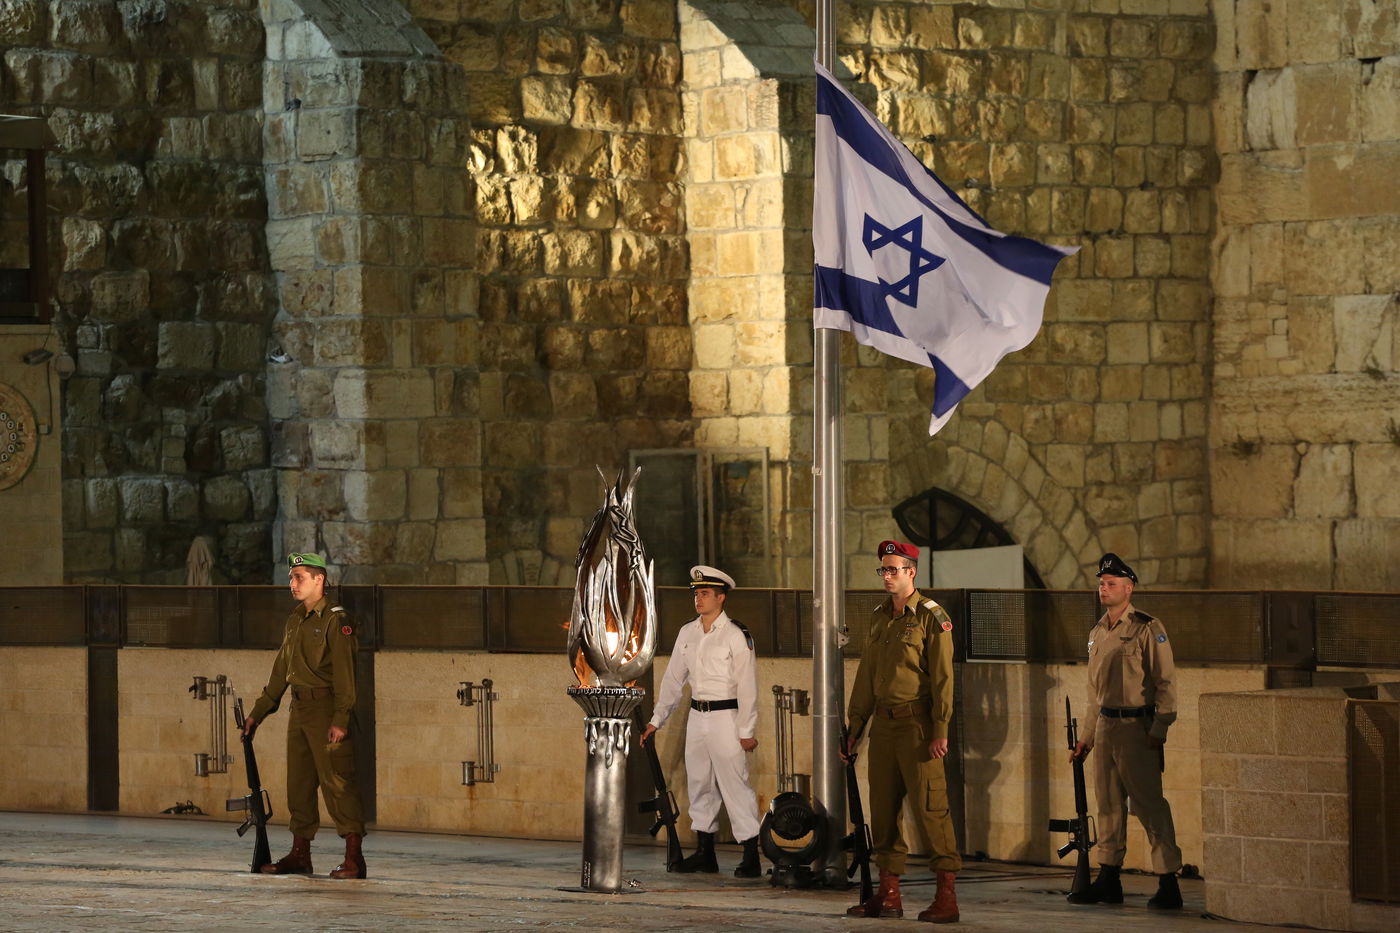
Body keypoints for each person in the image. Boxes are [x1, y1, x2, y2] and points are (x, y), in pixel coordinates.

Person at [844, 540, 961, 924]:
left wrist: (940, 728)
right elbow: (866, 677)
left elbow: (944, 678)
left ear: (912, 572)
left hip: (918, 725)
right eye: (884, 569)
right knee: (884, 810)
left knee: (932, 810)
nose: (888, 576)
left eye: (894, 569)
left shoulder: (931, 616)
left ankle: (946, 896)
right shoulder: (880, 617)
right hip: (884, 725)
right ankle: (889, 894)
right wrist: (855, 727)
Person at [241, 553, 368, 879]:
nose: (292, 583)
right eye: (291, 577)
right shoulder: (295, 620)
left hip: (326, 709)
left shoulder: (336, 620)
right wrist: (258, 713)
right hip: (299, 709)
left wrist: (340, 718)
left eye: (299, 577)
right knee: (298, 784)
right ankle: (300, 853)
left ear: (319, 580)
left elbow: (346, 676)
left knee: (337, 782)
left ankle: (354, 856)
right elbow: (281, 671)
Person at [1069, 552, 1183, 909]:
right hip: (1106, 726)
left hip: (1137, 727)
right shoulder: (1097, 632)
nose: (1104, 588)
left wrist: (1160, 728)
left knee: (1149, 805)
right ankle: (1109, 876)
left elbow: (1166, 682)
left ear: (1128, 588)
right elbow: (1094, 694)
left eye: (1112, 584)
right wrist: (1086, 737)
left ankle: (1167, 881)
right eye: (1101, 584)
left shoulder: (1148, 628)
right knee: (1108, 805)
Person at [640, 565, 762, 878]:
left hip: (726, 717)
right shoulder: (687, 633)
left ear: (721, 598)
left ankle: (751, 854)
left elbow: (747, 686)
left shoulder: (736, 635)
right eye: (696, 593)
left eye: (705, 593)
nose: (699, 598)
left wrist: (746, 731)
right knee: (700, 784)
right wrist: (656, 720)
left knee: (735, 784)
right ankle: (706, 852)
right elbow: (672, 681)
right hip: (697, 715)